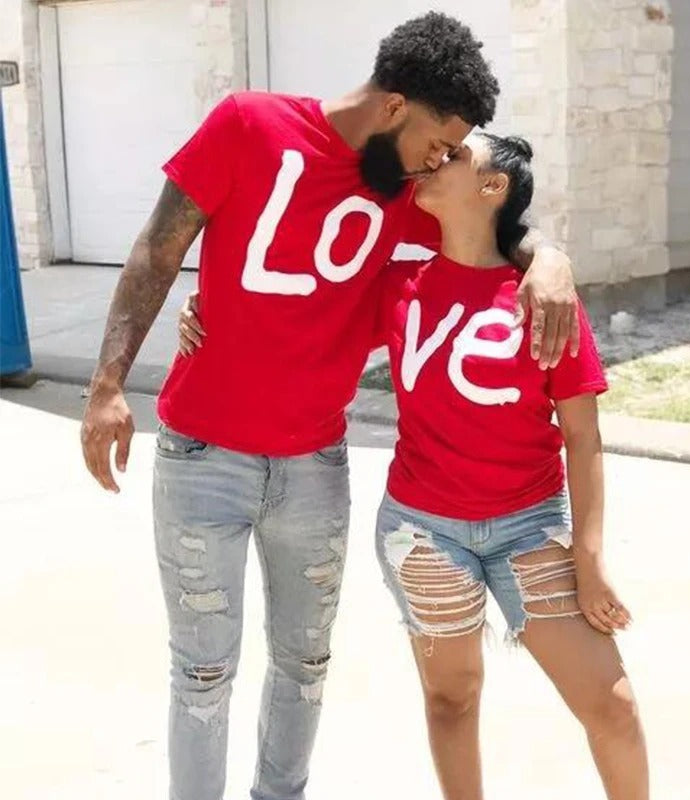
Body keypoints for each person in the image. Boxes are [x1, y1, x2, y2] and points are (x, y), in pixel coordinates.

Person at [81, 13, 581, 800]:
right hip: (201, 456)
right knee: (203, 669)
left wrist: (549, 256)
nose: (439, 162)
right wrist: (108, 386)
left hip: (314, 466)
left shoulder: (403, 190)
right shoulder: (247, 124)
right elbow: (158, 247)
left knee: (304, 662)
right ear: (394, 108)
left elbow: (492, 227)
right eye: (437, 144)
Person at [179, 131, 649, 799]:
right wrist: (209, 306)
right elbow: (295, 308)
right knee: (451, 701)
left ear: (493, 188)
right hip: (423, 531)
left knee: (612, 704)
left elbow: (583, 434)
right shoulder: (397, 287)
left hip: (529, 526)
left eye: (456, 156)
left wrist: (590, 557)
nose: (436, 158)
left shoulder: (542, 299)